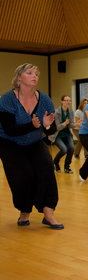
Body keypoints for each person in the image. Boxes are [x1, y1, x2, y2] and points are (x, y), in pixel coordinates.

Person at [0, 63, 64, 229]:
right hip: (9, 142)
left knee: (46, 167)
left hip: (34, 141)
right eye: (29, 73)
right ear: (19, 77)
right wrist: (34, 125)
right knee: (23, 175)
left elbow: (52, 129)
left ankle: (48, 211)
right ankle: (24, 210)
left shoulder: (45, 99)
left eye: (36, 73)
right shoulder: (7, 99)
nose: (34, 76)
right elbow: (10, 129)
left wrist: (47, 126)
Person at [49, 95, 75, 174]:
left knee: (71, 148)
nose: (68, 102)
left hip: (66, 134)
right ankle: (55, 163)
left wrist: (75, 124)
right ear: (62, 101)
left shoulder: (71, 111)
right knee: (64, 150)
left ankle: (67, 167)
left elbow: (70, 125)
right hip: (57, 135)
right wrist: (64, 124)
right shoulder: (56, 112)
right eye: (66, 100)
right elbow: (57, 127)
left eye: (69, 100)